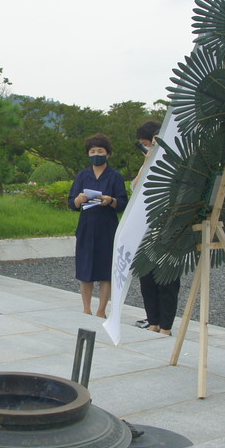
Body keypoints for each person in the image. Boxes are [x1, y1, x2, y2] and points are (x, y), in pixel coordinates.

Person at [68, 133, 128, 318]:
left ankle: (102, 310)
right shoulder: (83, 175)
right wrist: (78, 200)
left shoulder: (115, 176)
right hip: (86, 226)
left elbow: (123, 203)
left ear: (108, 154)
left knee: (105, 271)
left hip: (107, 228)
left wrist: (110, 200)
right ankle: (86, 308)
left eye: (100, 150)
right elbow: (71, 203)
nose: (96, 154)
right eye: (92, 151)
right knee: (85, 270)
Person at [133, 120, 179, 335]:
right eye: (147, 144)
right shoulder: (148, 161)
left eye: (152, 143)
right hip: (146, 229)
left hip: (170, 229)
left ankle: (166, 326)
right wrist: (147, 162)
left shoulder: (177, 161)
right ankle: (153, 321)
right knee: (147, 277)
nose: (149, 147)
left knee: (167, 279)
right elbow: (135, 187)